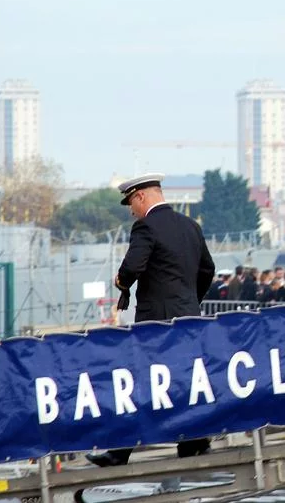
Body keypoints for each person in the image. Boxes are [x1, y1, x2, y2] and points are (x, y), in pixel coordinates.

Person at [86, 173, 216, 468]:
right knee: (185, 382)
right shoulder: (191, 227)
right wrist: (189, 301)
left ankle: (119, 453)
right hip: (189, 320)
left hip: (155, 324)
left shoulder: (145, 227)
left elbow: (132, 266)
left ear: (142, 196)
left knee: (137, 384)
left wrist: (121, 281)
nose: (131, 210)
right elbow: (207, 269)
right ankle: (193, 442)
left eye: (131, 202)